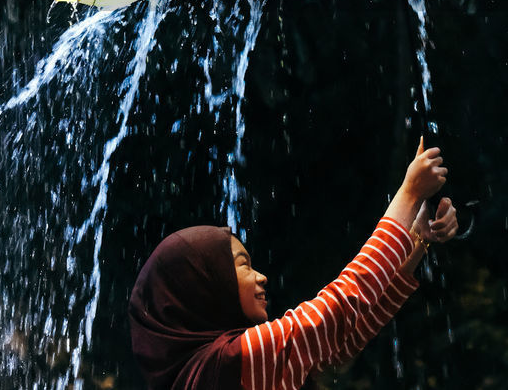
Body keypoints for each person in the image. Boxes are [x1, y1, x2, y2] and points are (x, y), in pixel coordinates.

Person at [129, 138, 459, 390]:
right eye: (243, 265)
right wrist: (409, 192)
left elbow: (338, 347)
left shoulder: (201, 373)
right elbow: (338, 310)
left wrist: (417, 239)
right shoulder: (227, 363)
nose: (261, 277)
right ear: (204, 286)